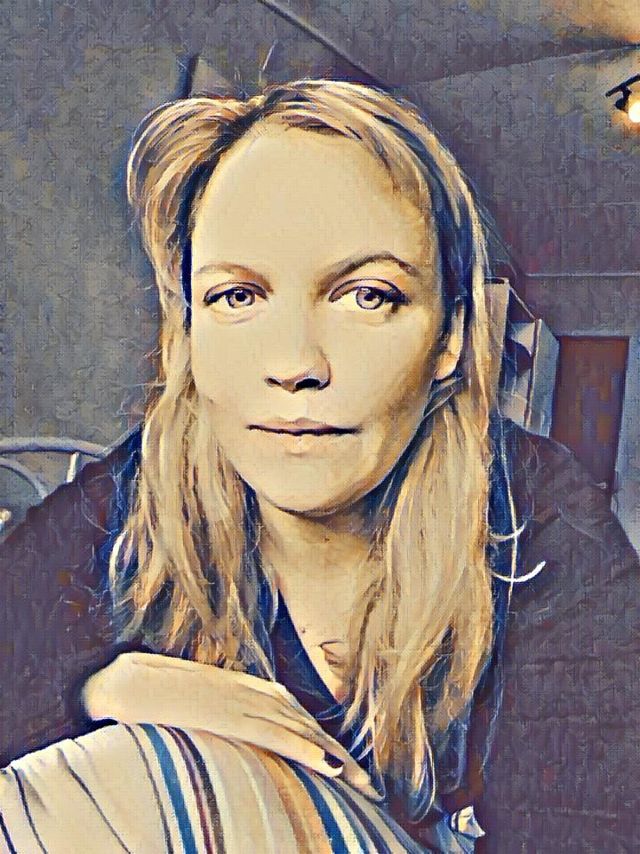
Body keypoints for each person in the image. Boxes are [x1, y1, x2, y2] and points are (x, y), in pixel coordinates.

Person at [0, 78, 638, 853]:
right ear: (188, 336)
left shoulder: (537, 514)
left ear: (448, 339)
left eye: (367, 296)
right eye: (238, 296)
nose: (295, 363)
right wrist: (99, 687)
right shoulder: (140, 488)